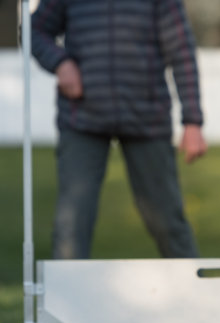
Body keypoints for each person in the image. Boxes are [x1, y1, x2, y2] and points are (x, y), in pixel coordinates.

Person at [31, 0, 207, 259]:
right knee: (71, 224)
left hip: (148, 118)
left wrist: (192, 121)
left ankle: (195, 295)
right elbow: (35, 31)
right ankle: (64, 300)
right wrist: (61, 63)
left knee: (168, 222)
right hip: (81, 118)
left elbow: (181, 51)